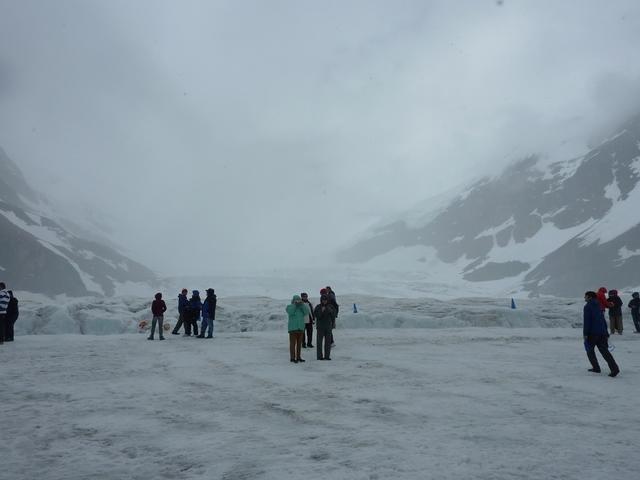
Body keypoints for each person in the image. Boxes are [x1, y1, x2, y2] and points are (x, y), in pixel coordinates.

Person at [583, 291, 619, 377]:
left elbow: (587, 321)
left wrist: (585, 333)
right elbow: (602, 320)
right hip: (602, 332)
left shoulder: (588, 306)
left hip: (592, 333)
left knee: (589, 350)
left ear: (589, 297)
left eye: (585, 296)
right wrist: (606, 332)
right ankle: (614, 369)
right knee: (605, 351)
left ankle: (596, 368)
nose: (584, 298)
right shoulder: (599, 305)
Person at [286, 294, 309, 363]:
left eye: (298, 300)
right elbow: (291, 312)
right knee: (293, 344)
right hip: (293, 329)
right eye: (296, 300)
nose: (297, 301)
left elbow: (306, 312)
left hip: (300, 328)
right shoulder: (289, 307)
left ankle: (298, 357)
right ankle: (292, 358)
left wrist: (302, 304)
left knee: (299, 344)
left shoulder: (301, 308)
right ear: (293, 301)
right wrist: (295, 305)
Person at [314, 294, 337, 361]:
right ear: (321, 300)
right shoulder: (318, 307)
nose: (324, 301)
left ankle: (327, 356)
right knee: (319, 342)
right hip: (320, 327)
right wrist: (322, 311)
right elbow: (317, 316)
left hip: (328, 327)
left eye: (325, 300)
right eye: (323, 300)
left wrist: (330, 311)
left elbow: (334, 315)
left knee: (328, 342)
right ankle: (319, 356)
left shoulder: (331, 306)